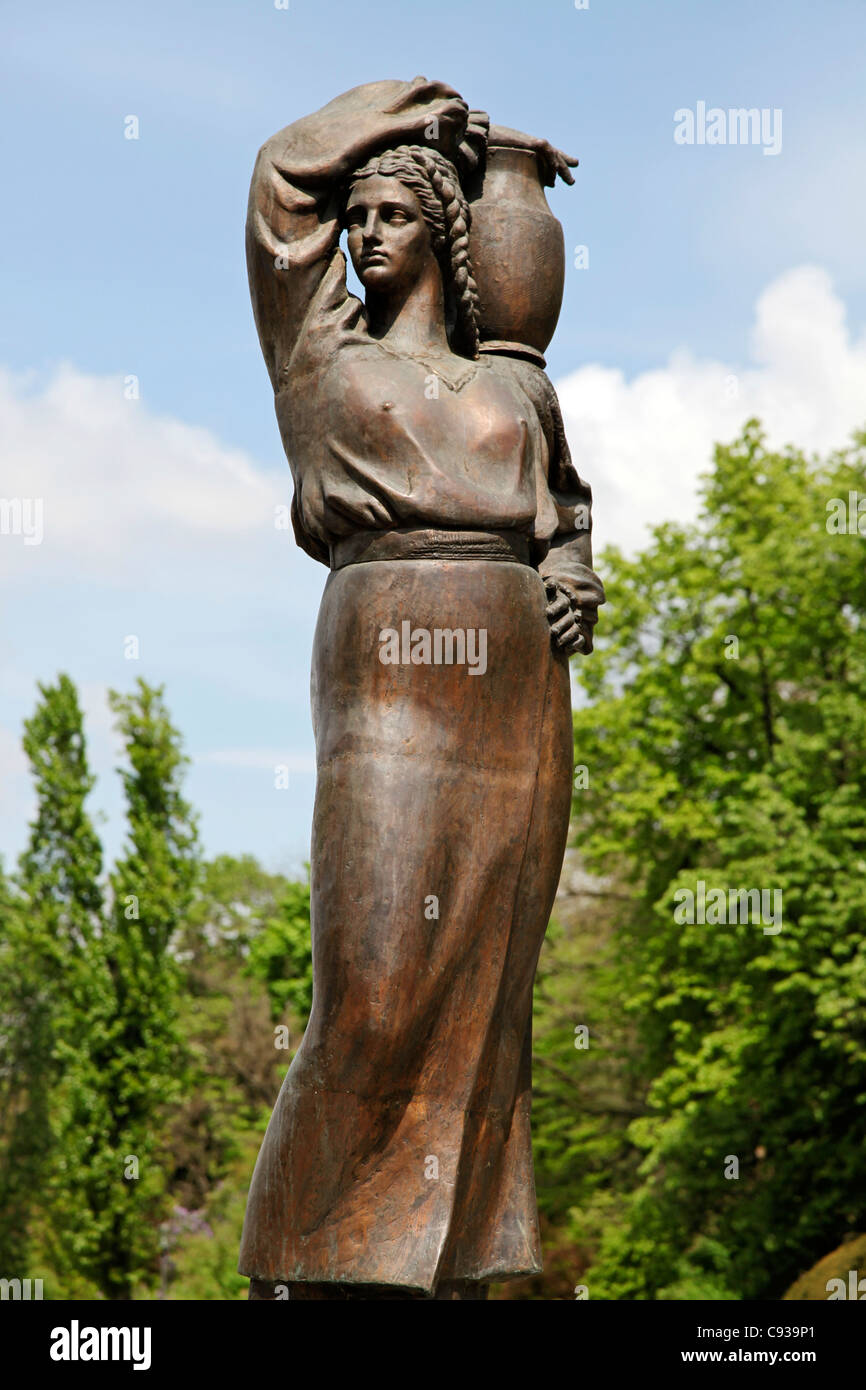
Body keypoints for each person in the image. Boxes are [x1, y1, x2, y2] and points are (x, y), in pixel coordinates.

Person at [239, 77, 605, 1300]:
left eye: (389, 214)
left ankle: (457, 1268)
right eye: (355, 220)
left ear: (442, 235)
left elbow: (564, 511)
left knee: (490, 984)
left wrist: (569, 568)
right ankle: (305, 1263)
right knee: (377, 969)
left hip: (515, 681)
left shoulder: (515, 382)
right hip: (388, 650)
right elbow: (280, 183)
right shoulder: (318, 355)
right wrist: (403, 114)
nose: (359, 233)